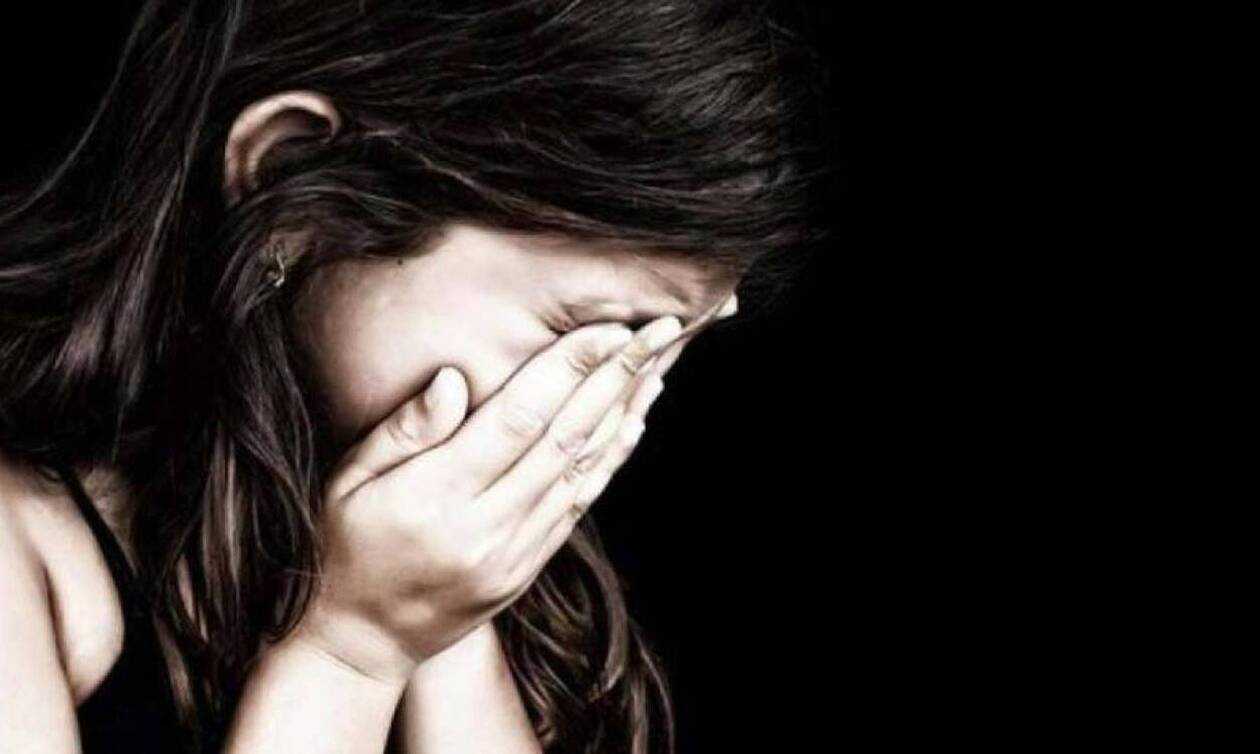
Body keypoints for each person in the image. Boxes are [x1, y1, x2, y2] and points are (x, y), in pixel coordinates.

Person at [0, 1, 829, 752]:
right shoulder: (23, 558)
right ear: (292, 188)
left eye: (657, 352)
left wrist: (444, 626)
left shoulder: (487, 596)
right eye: (587, 334)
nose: (603, 406)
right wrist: (352, 654)